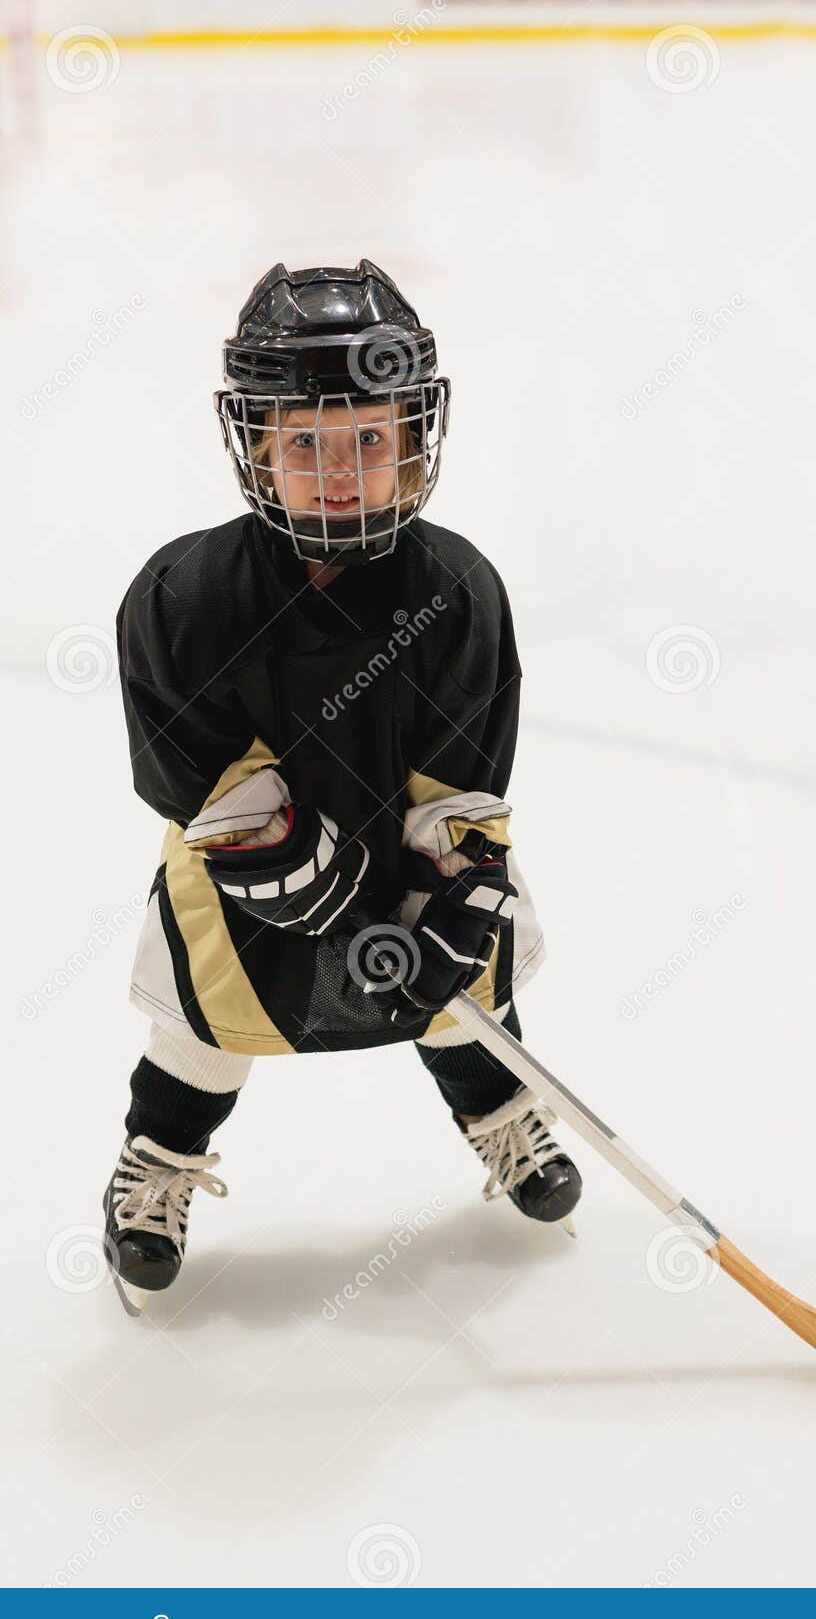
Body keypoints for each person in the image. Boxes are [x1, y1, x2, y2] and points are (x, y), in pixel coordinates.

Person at [103, 260, 581, 1316]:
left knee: (469, 998)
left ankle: (502, 1114)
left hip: (404, 851)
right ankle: (158, 1162)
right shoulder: (188, 596)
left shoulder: (456, 589)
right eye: (305, 441)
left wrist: (451, 903)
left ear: (416, 440)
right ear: (257, 450)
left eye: (368, 438)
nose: (337, 469)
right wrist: (293, 874)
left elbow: (461, 789)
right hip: (249, 877)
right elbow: (203, 771)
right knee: (207, 1024)